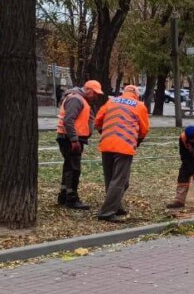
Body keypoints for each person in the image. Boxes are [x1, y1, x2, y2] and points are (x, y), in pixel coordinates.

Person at [94, 85, 150, 221]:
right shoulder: (139, 105)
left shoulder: (111, 101)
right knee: (120, 180)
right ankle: (107, 212)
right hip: (124, 146)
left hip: (107, 144)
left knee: (111, 178)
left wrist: (105, 133)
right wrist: (137, 141)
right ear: (136, 94)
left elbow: (97, 121)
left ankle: (115, 206)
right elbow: (144, 129)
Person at [56, 80, 105, 210]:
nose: (96, 96)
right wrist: (74, 140)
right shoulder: (76, 100)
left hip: (70, 138)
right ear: (88, 90)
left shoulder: (79, 99)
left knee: (69, 167)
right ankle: (72, 199)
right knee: (74, 169)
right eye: (95, 93)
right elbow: (68, 120)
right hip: (70, 139)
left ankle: (64, 195)